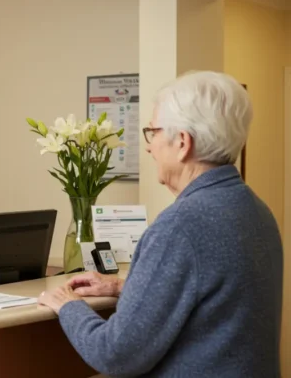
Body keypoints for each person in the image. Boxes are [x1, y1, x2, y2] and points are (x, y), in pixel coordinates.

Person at [38, 71, 283, 377]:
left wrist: (67, 305)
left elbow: (114, 354)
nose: (150, 147)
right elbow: (215, 302)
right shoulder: (256, 210)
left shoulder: (180, 226)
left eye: (153, 132)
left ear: (182, 142)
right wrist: (121, 287)